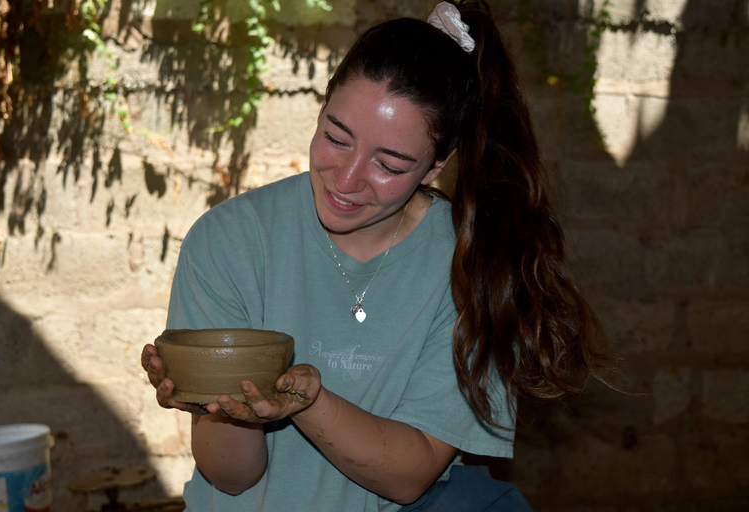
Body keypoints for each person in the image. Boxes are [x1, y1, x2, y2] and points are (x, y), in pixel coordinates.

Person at [141, 1, 615, 510]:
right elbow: (232, 478)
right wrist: (220, 404)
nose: (346, 181)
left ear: (436, 167)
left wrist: (308, 403)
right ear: (321, 111)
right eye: (335, 138)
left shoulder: (472, 265)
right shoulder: (228, 240)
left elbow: (410, 474)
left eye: (389, 164)